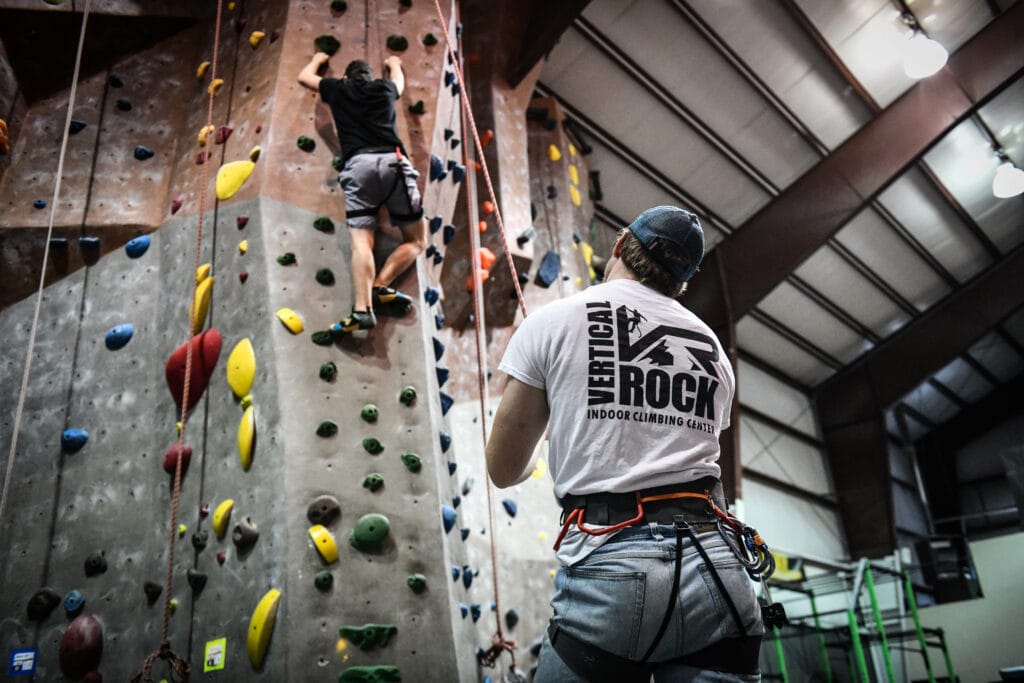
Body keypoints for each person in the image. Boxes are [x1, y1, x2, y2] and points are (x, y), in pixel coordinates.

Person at [486, 206, 766, 681]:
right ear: (682, 281)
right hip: (718, 566)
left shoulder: (554, 321)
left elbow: (503, 468)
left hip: (614, 566)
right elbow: (675, 444)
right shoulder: (713, 350)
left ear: (619, 244)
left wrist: (549, 439)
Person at [297, 51, 427, 333]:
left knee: (361, 243)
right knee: (417, 240)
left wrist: (318, 60)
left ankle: (362, 309)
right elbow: (399, 83)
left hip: (358, 166)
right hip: (393, 163)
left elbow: (304, 78)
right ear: (370, 77)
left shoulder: (339, 88)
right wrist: (394, 64)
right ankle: (381, 286)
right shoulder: (384, 88)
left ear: (347, 76)